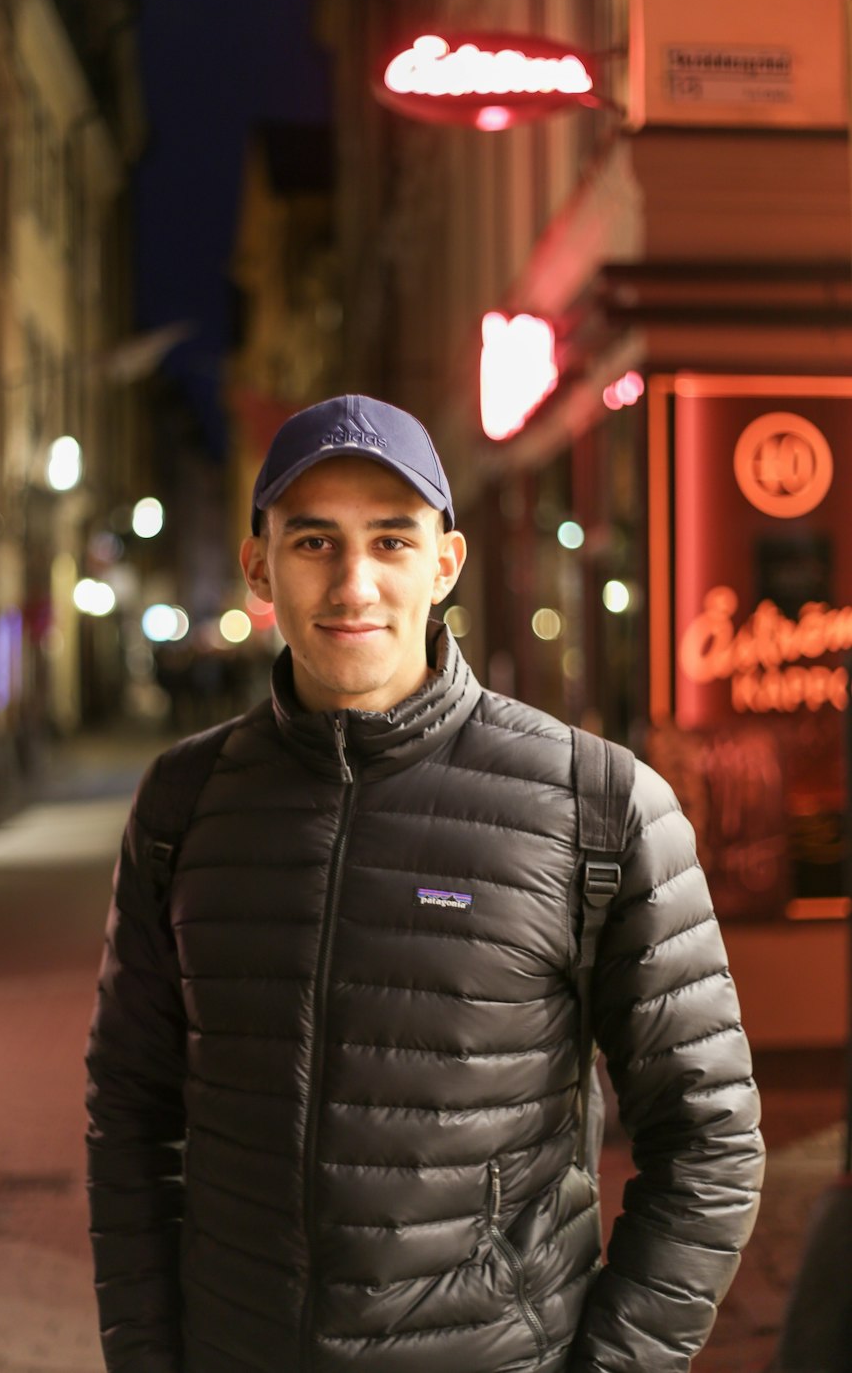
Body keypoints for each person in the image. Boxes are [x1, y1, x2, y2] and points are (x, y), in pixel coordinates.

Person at [86, 393, 765, 1373]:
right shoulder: (185, 803)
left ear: (443, 564)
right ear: (259, 566)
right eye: (314, 541)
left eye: (392, 542)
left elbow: (708, 1142)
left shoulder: (596, 803)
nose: (353, 582)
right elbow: (130, 1114)